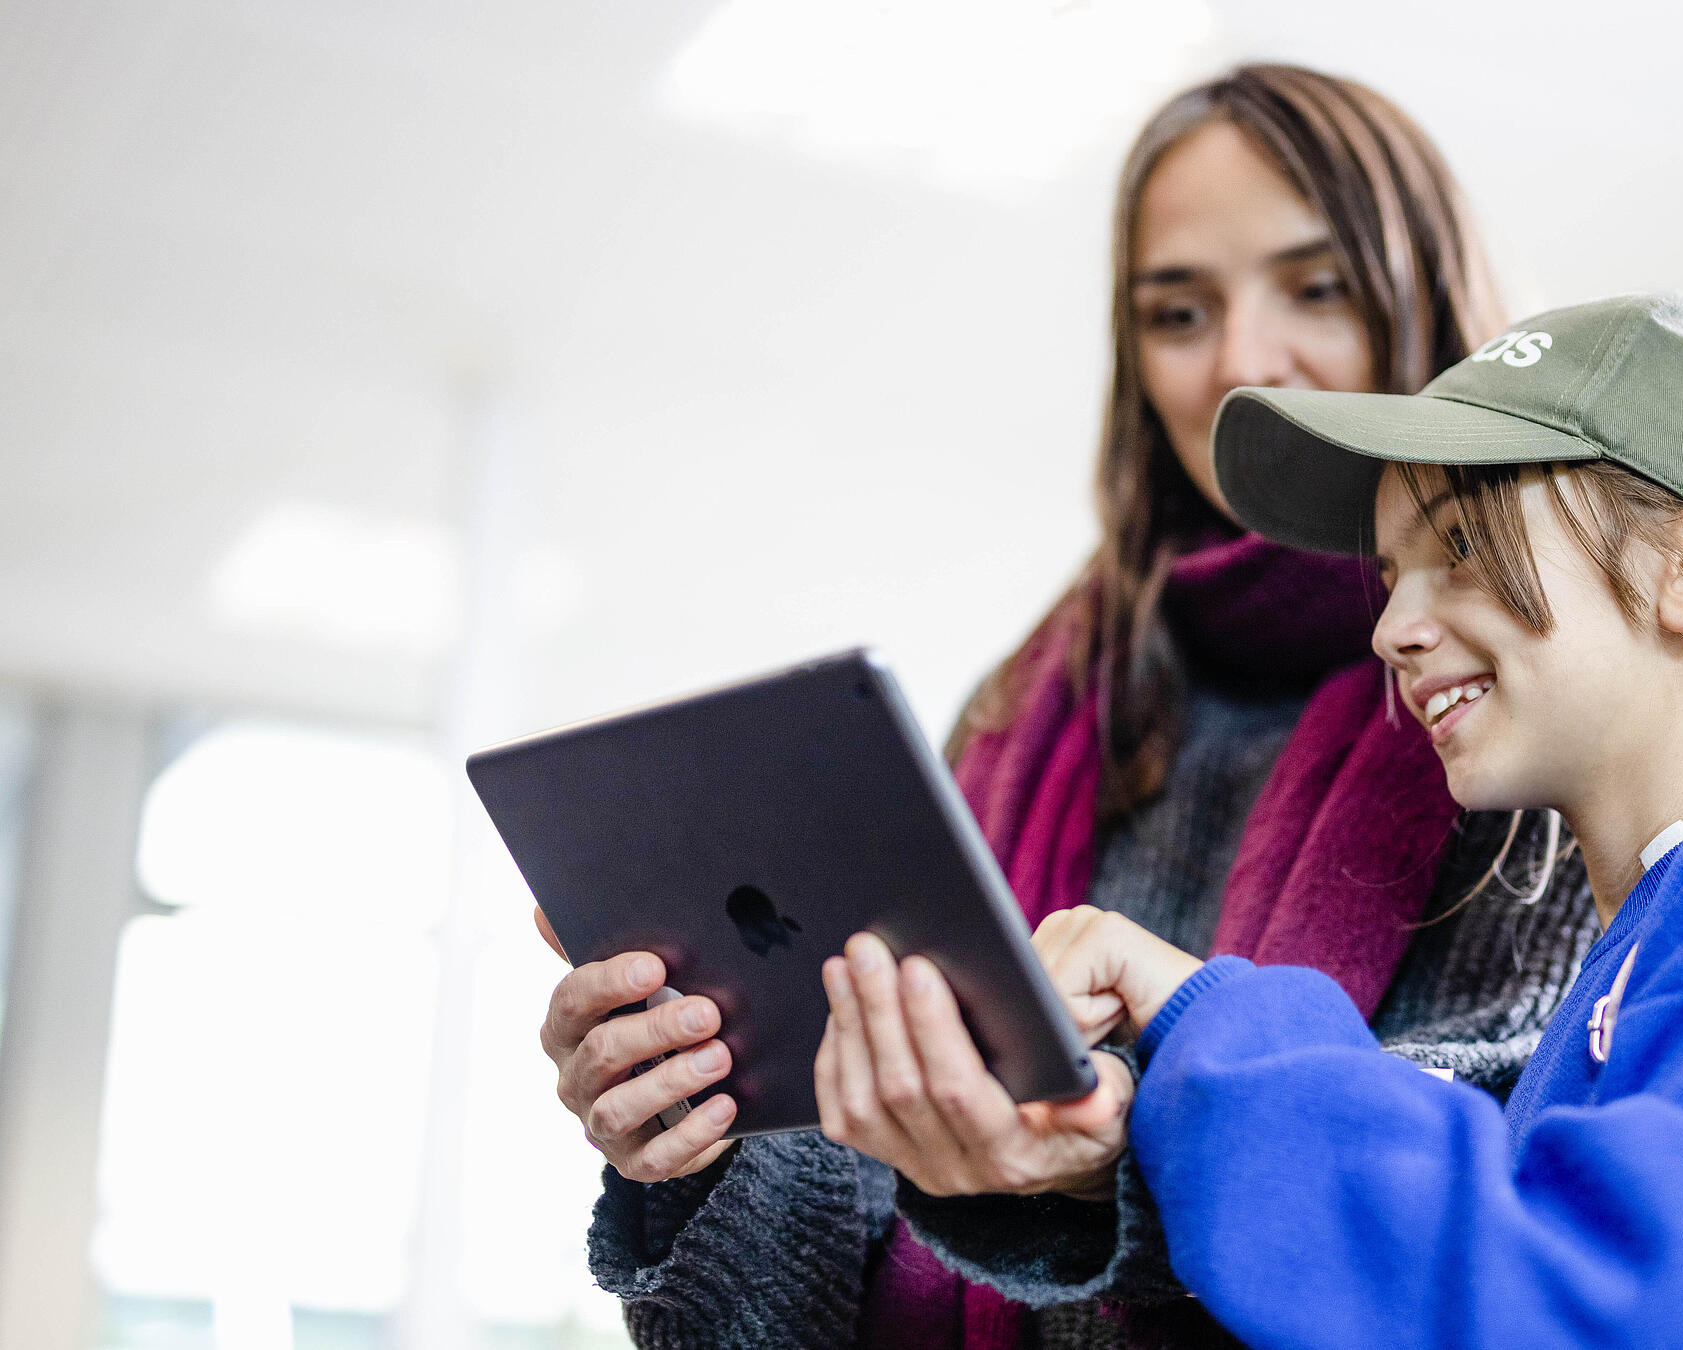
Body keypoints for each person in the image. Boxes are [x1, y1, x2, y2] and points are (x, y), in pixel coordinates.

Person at [536, 65, 1613, 1348]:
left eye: (1317, 288)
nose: (1243, 366)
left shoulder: (1527, 686)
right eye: (1177, 312)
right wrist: (707, 1132)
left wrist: (1120, 1148)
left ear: (1425, 301)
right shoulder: (1021, 715)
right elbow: (858, 1195)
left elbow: (1531, 1148)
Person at [823, 292, 1683, 1348]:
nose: (1390, 627)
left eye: (1462, 551)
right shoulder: (1668, 947)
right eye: (1389, 576)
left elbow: (1601, 1317)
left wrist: (1213, 1021)